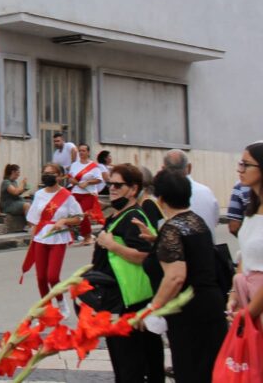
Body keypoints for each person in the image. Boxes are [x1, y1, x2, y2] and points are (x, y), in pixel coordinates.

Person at [140, 169, 226, 383]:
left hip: (189, 313)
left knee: (190, 370)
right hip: (211, 305)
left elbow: (175, 277)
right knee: (209, 370)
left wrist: (153, 309)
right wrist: (156, 241)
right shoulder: (196, 222)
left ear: (160, 199)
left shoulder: (172, 230)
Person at [91, 163, 163, 383]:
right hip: (118, 301)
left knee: (130, 365)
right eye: (109, 184)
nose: (111, 189)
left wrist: (112, 246)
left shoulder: (134, 217)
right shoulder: (117, 216)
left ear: (133, 189)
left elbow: (145, 255)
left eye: (118, 185)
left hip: (131, 302)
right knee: (124, 364)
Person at [22, 163, 82, 317]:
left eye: (51, 173)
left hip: (58, 238)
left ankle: (61, 303)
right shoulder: (40, 194)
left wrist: (63, 221)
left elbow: (79, 217)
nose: (47, 175)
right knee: (41, 277)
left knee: (52, 276)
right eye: (45, 172)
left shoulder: (67, 196)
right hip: (41, 238)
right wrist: (32, 240)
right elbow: (34, 219)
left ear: (60, 176)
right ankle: (46, 310)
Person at [231, 143, 263, 315]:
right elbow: (245, 253)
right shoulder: (252, 208)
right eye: (240, 163)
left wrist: (250, 311)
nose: (240, 170)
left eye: (246, 164)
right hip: (250, 300)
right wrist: (234, 295)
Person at [162, 149, 219, 239]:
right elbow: (215, 221)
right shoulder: (207, 192)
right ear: (189, 167)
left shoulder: (162, 195)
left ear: (163, 169)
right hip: (209, 250)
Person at [68, 143, 104, 245]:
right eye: (80, 151)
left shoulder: (93, 166)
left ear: (88, 152)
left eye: (84, 151)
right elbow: (71, 178)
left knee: (83, 214)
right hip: (76, 192)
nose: (81, 153)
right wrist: (76, 182)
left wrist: (88, 182)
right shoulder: (75, 165)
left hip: (88, 193)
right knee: (73, 214)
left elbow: (99, 179)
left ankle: (87, 237)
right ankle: (75, 236)